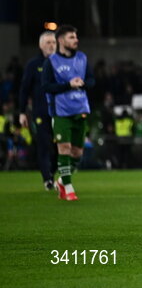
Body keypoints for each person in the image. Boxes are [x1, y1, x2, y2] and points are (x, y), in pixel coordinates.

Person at [41, 25, 95, 201]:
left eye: (76, 37)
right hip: (61, 111)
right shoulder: (51, 62)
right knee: (64, 149)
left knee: (77, 153)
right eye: (72, 37)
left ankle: (62, 182)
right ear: (61, 40)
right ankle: (69, 188)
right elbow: (46, 86)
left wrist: (84, 83)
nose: (76, 40)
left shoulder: (82, 58)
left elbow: (92, 81)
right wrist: (67, 85)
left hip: (80, 110)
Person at [19, 31, 58, 190]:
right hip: (40, 113)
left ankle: (52, 173)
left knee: (58, 149)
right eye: (48, 42)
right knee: (44, 145)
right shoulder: (33, 64)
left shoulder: (61, 64)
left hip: (59, 112)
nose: (51, 45)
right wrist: (22, 112)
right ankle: (47, 179)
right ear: (41, 45)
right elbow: (24, 89)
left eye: (53, 42)